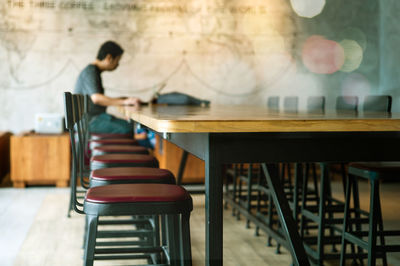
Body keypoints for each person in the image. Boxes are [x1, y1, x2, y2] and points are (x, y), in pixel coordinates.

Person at [74, 40, 140, 135]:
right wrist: (124, 102)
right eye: (117, 61)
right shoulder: (91, 71)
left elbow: (98, 98)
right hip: (90, 121)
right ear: (109, 58)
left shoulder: (93, 71)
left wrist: (123, 100)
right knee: (130, 127)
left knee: (130, 125)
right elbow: (97, 98)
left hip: (93, 119)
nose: (117, 65)